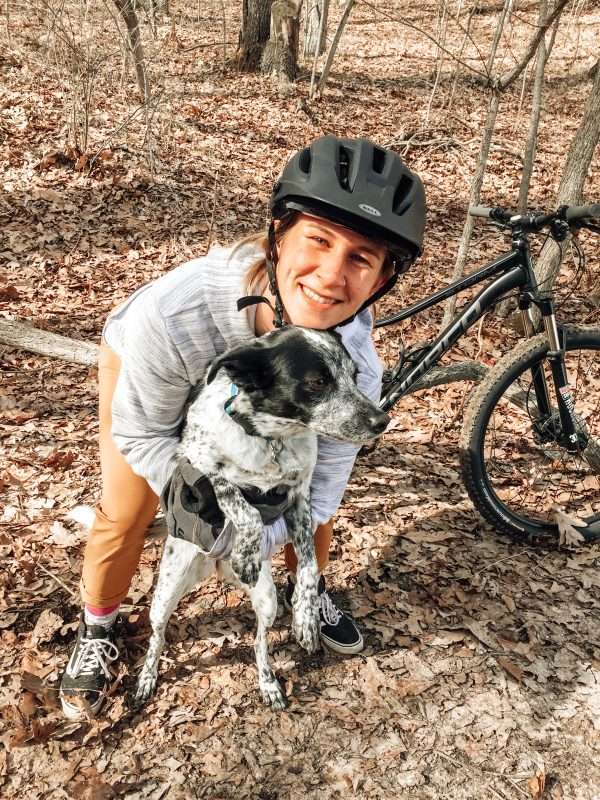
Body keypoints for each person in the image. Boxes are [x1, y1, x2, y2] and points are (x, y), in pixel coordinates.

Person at [59, 135, 426, 719]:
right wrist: (202, 506)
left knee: (304, 503)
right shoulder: (174, 314)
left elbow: (323, 485)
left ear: (382, 279)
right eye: (319, 240)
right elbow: (143, 437)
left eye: (361, 258)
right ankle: (99, 627)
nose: (332, 277)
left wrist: (259, 538)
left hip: (273, 409)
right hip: (159, 372)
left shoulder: (355, 359)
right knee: (127, 509)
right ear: (278, 237)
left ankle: (311, 591)